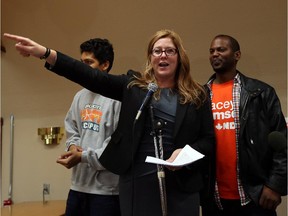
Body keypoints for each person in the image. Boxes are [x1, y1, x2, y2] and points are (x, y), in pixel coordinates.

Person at [4, 29, 215, 216]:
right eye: (157, 50)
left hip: (181, 186)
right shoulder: (134, 87)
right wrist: (45, 52)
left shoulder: (198, 94)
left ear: (179, 56)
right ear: (150, 57)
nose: (163, 55)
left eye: (169, 51)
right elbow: (91, 76)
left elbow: (208, 141)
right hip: (137, 184)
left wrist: (186, 153)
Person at [201, 34, 287, 216]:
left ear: (237, 55)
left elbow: (282, 143)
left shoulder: (261, 93)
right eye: (212, 51)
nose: (215, 54)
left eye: (221, 49)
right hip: (214, 199)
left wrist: (275, 185)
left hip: (255, 196)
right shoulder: (200, 97)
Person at [56, 38, 121, 216]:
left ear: (105, 65)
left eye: (89, 62)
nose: (83, 68)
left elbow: (116, 145)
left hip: (106, 192)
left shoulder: (117, 98)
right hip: (78, 186)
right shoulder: (79, 96)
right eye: (81, 62)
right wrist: (72, 146)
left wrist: (83, 156)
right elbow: (72, 128)